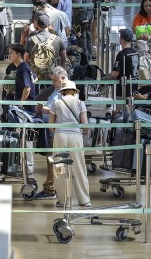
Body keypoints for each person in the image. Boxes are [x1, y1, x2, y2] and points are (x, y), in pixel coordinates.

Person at [48, 80, 91, 208]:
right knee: (79, 167)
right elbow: (85, 124)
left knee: (60, 167)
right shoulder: (80, 103)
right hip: (76, 136)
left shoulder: (56, 103)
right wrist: (85, 134)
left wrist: (59, 130)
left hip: (60, 135)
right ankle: (84, 200)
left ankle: (62, 200)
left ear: (63, 91)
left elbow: (51, 126)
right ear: (74, 91)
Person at [33, 66, 70, 199]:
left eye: (55, 81)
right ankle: (54, 187)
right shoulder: (58, 90)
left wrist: (45, 109)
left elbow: (59, 110)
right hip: (52, 128)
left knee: (55, 159)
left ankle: (52, 188)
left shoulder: (66, 92)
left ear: (63, 78)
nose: (53, 84)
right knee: (54, 159)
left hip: (56, 129)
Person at [25, 14, 67, 79]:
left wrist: (31, 73)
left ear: (37, 25)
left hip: (36, 75)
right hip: (53, 75)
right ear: (49, 24)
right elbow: (63, 59)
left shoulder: (30, 39)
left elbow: (26, 59)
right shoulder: (58, 39)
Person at [106, 28, 140, 98]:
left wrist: (105, 78)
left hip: (123, 90)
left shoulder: (122, 54)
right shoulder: (136, 53)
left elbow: (115, 74)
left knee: (121, 108)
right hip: (134, 89)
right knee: (131, 108)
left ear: (121, 39)